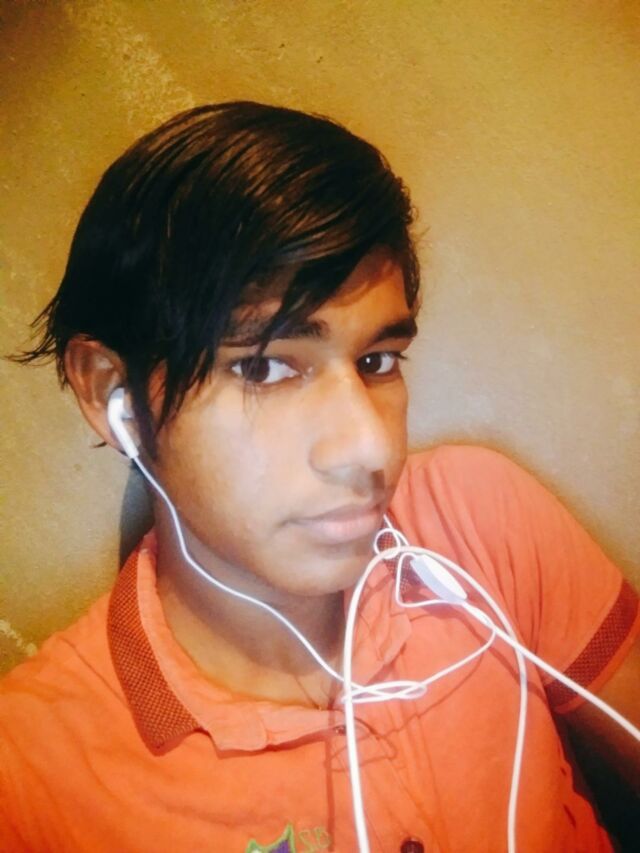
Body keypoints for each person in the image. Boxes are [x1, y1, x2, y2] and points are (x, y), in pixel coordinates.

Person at [1, 102, 638, 853]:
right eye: (265, 368)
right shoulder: (32, 780)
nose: (369, 447)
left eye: (377, 361)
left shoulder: (477, 520)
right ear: (115, 395)